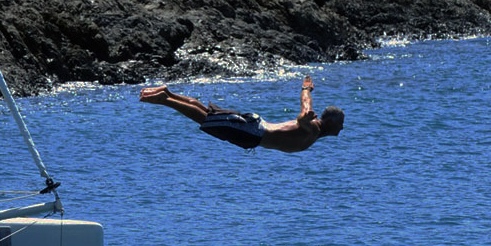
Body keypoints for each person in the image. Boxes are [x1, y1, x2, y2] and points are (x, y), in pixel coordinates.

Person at [139, 76, 343, 152]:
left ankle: (168, 93)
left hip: (253, 129)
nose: (342, 128)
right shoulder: (313, 128)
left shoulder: (315, 130)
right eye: (340, 123)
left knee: (207, 113)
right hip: (252, 132)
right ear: (330, 122)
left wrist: (306, 89)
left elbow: (306, 105)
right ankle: (164, 100)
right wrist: (304, 112)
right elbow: (304, 113)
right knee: (206, 119)